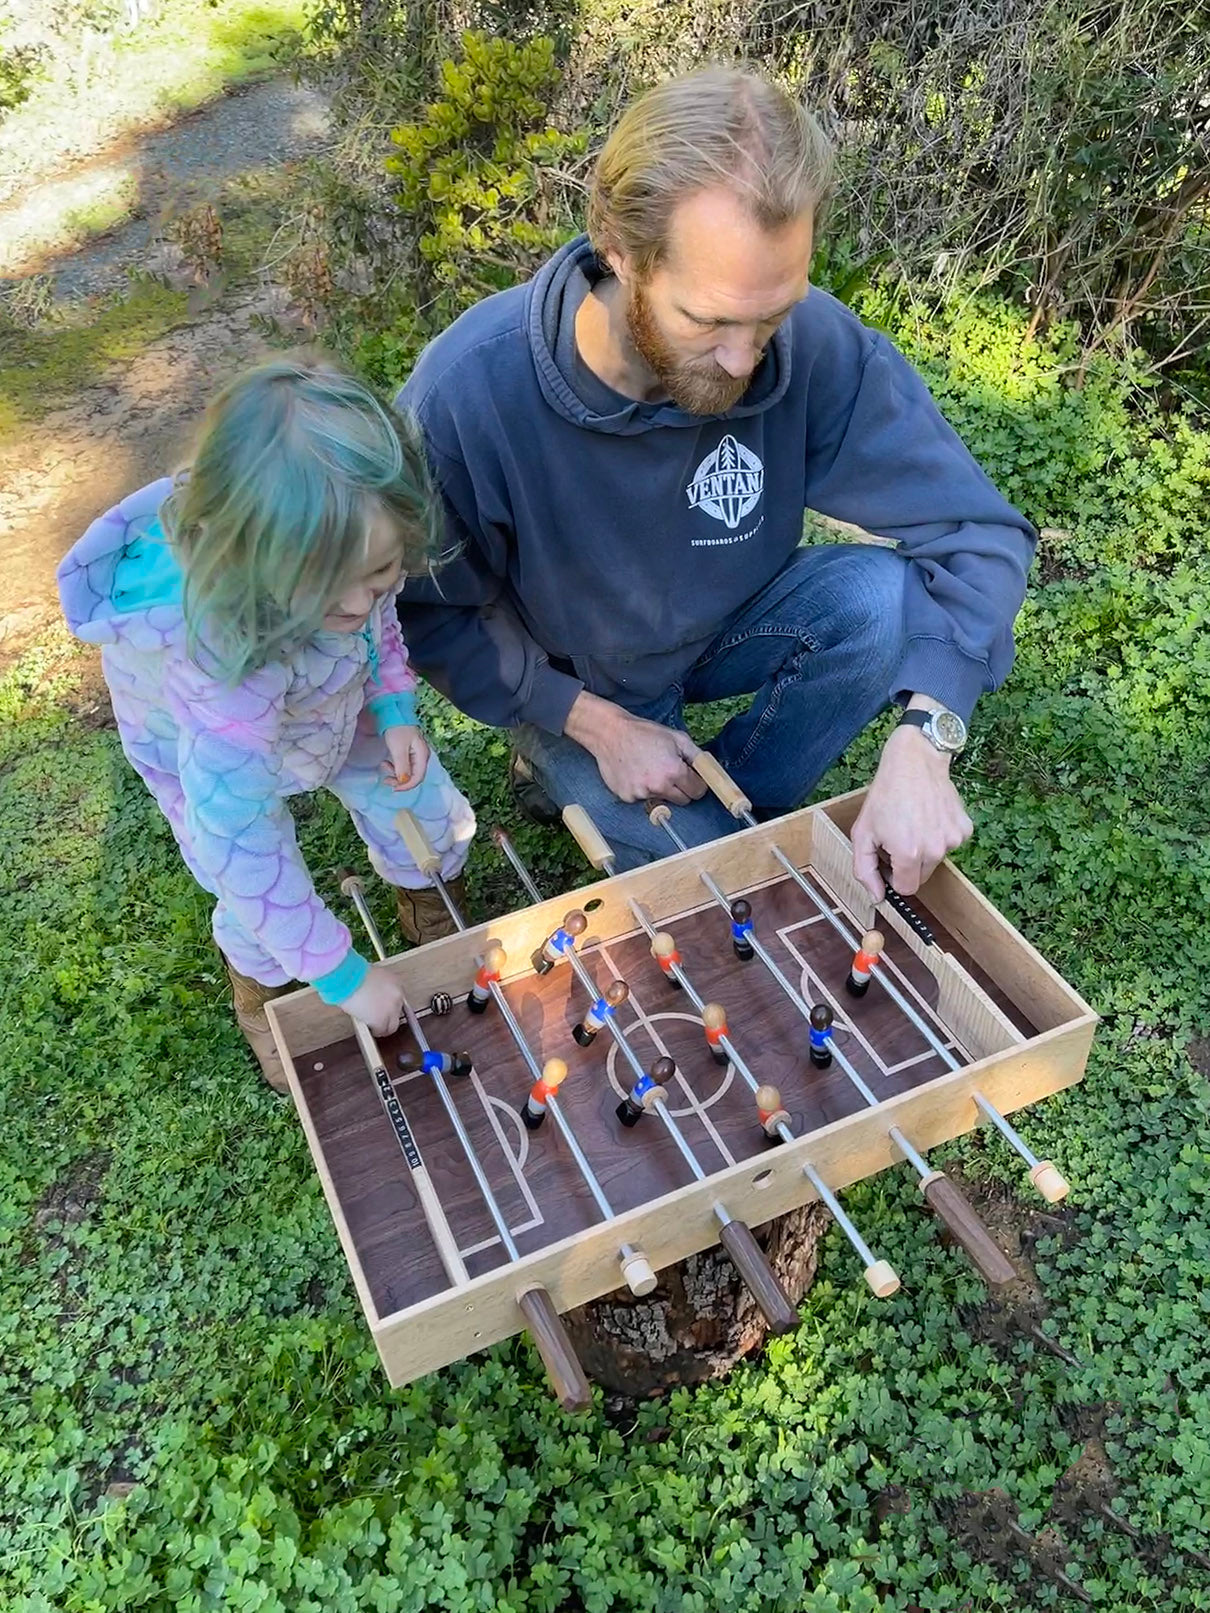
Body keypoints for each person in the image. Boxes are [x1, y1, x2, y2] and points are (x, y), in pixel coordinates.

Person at [394, 67, 1036, 891]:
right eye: (708, 320)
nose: (742, 360)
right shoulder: (469, 392)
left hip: (729, 623)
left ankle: (738, 802)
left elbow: (979, 532)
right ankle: (566, 761)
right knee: (713, 882)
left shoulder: (811, 341)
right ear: (618, 249)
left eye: (772, 314)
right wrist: (587, 721)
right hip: (578, 676)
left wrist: (927, 735)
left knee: (880, 601)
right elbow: (430, 611)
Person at [57, 357, 475, 1093]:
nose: (358, 600)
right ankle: (268, 999)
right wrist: (342, 975)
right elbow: (239, 843)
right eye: (327, 588)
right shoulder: (223, 673)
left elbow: (377, 628)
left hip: (330, 696)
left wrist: (393, 706)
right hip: (212, 741)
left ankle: (429, 909)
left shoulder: (354, 551)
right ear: (252, 562)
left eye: (379, 570)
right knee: (257, 904)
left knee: (425, 811)